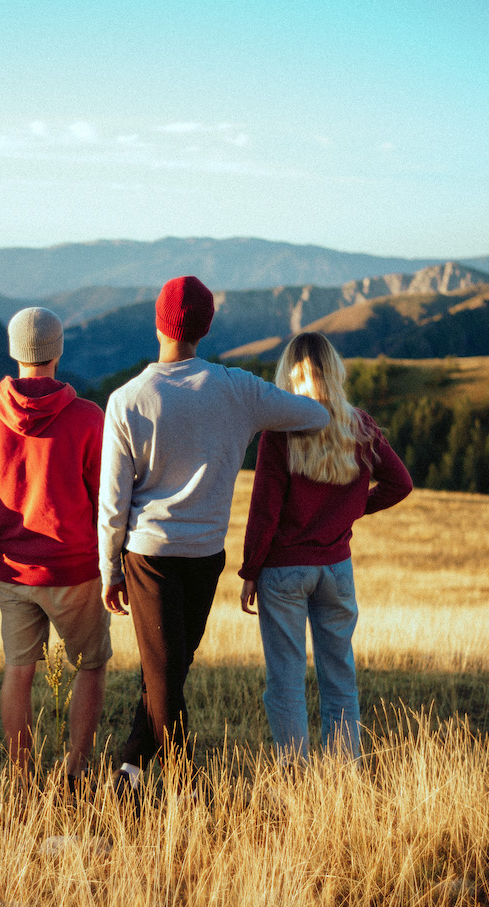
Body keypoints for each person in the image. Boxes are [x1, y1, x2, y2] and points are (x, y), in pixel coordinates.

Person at [99, 275, 330, 795]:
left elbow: (112, 502)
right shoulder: (238, 389)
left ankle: (180, 788)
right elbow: (314, 416)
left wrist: (108, 568)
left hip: (148, 556)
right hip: (206, 556)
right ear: (206, 328)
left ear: (157, 322)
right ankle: (134, 775)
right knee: (168, 672)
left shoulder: (127, 400)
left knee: (165, 675)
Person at [238, 332, 413, 763]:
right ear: (334, 370)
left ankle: (296, 778)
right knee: (339, 678)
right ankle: (341, 778)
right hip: (337, 568)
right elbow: (400, 484)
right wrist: (352, 510)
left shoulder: (280, 433)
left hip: (283, 572)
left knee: (286, 681)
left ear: (290, 373)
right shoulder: (360, 426)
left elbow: (265, 510)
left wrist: (250, 571)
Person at [0, 307, 110, 783]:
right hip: (77, 572)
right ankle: (76, 771)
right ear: (58, 350)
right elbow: (104, 498)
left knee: (18, 672)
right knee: (90, 667)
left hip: (14, 571)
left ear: (13, 350)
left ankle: (23, 779)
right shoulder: (89, 418)